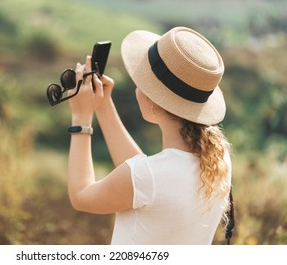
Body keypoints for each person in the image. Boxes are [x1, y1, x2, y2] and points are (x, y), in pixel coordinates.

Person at [66, 26, 232, 244]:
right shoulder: (219, 160)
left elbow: (81, 197)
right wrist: (103, 106)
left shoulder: (149, 176)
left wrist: (81, 117)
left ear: (155, 101)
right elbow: (143, 176)